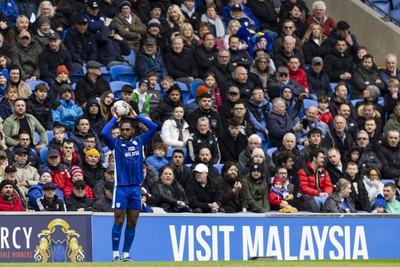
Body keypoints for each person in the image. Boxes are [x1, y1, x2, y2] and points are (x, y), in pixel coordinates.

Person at [101, 103, 157, 262]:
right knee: (119, 219)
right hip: (121, 188)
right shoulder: (116, 143)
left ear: (133, 130)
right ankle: (115, 254)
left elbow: (154, 128)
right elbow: (104, 133)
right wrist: (114, 119)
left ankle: (126, 254)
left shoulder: (140, 141)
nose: (124, 132)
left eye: (127, 130)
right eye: (122, 130)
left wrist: (136, 116)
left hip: (135, 188)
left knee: (132, 221)